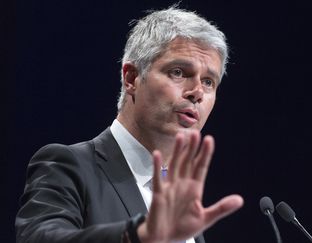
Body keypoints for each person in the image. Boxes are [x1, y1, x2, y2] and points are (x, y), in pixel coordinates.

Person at [15, 7, 244, 243]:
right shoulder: (68, 166)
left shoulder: (182, 202)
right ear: (131, 78)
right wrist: (140, 236)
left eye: (208, 81)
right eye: (178, 72)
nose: (197, 92)